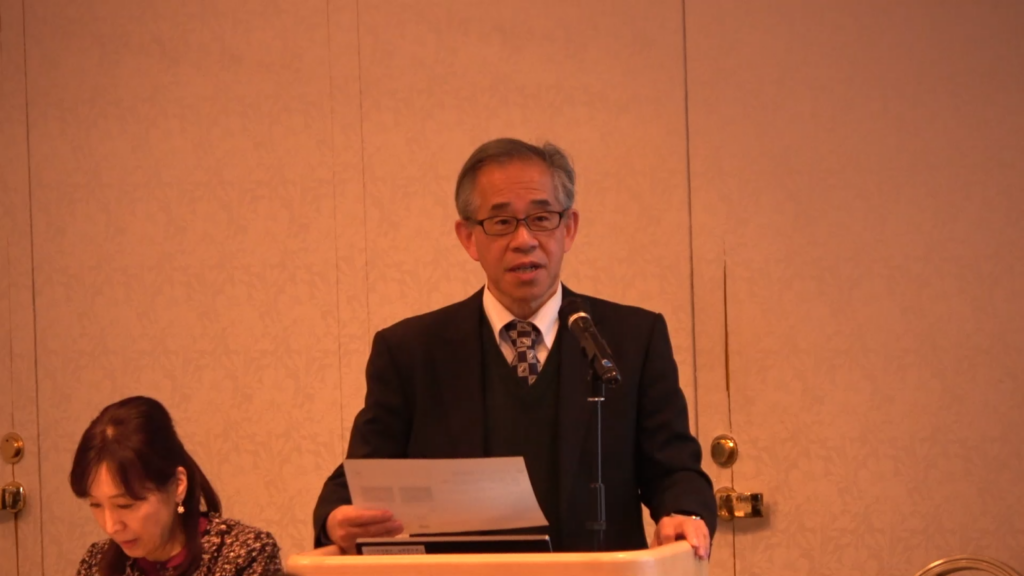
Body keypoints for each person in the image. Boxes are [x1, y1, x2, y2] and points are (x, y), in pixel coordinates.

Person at [313, 138, 716, 558]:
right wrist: (335, 519)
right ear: (469, 238)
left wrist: (684, 513)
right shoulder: (411, 352)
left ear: (568, 228)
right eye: (502, 222)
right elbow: (359, 478)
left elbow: (675, 469)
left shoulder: (632, 338)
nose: (524, 240)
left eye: (541, 218)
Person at [70, 396, 284, 576]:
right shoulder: (96, 562)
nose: (111, 526)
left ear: (179, 485)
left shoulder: (244, 554)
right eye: (96, 505)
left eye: (125, 505)